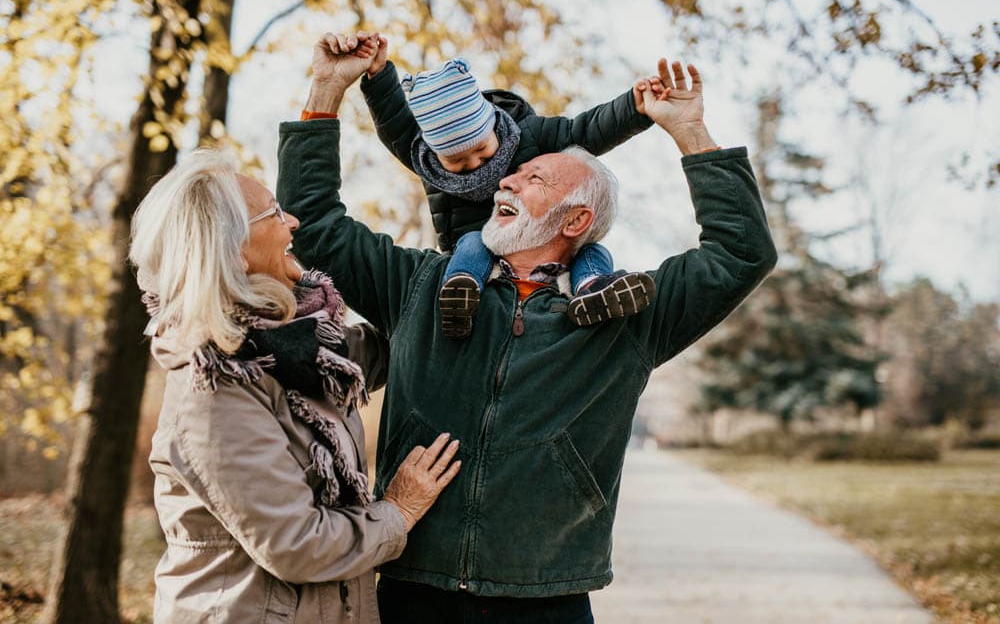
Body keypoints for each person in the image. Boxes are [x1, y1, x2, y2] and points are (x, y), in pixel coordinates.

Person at [277, 31, 778, 623]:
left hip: (549, 598)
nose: (505, 180)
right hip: (413, 587)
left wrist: (690, 132)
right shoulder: (420, 285)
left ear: (578, 219)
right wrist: (327, 88)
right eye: (513, 176)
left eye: (535, 178)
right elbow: (315, 226)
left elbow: (741, 253)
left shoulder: (626, 314)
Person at [129, 148, 462, 623]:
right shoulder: (215, 383)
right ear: (235, 251)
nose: (294, 223)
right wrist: (399, 510)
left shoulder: (292, 349)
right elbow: (297, 544)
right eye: (274, 213)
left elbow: (391, 343)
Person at [352, 33, 660, 338]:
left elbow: (587, 130)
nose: (474, 164)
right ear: (434, 155)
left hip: (539, 252)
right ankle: (460, 292)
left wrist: (633, 109)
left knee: (591, 250)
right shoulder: (428, 164)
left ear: (491, 124)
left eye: (481, 150)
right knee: (472, 242)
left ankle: (593, 290)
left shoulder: (530, 135)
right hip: (475, 258)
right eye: (457, 161)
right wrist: (378, 75)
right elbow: (394, 124)